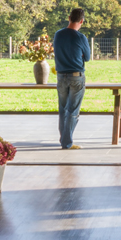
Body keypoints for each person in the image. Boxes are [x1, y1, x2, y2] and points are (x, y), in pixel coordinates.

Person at [52, 8, 92, 150]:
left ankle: (63, 139)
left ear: (69, 18)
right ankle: (66, 142)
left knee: (63, 109)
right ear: (82, 21)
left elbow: (57, 51)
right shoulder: (81, 37)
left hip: (61, 76)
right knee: (73, 111)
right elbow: (87, 57)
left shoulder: (58, 35)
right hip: (76, 77)